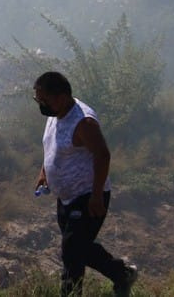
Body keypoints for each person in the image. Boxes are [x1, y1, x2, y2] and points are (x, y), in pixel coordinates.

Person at [33, 70, 138, 297]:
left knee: (71, 252)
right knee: (80, 248)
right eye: (37, 99)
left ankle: (70, 294)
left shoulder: (84, 122)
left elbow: (103, 155)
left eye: (43, 99)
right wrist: (45, 172)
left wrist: (97, 195)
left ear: (60, 97)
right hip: (66, 198)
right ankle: (121, 274)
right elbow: (50, 146)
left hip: (88, 195)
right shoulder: (55, 113)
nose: (40, 104)